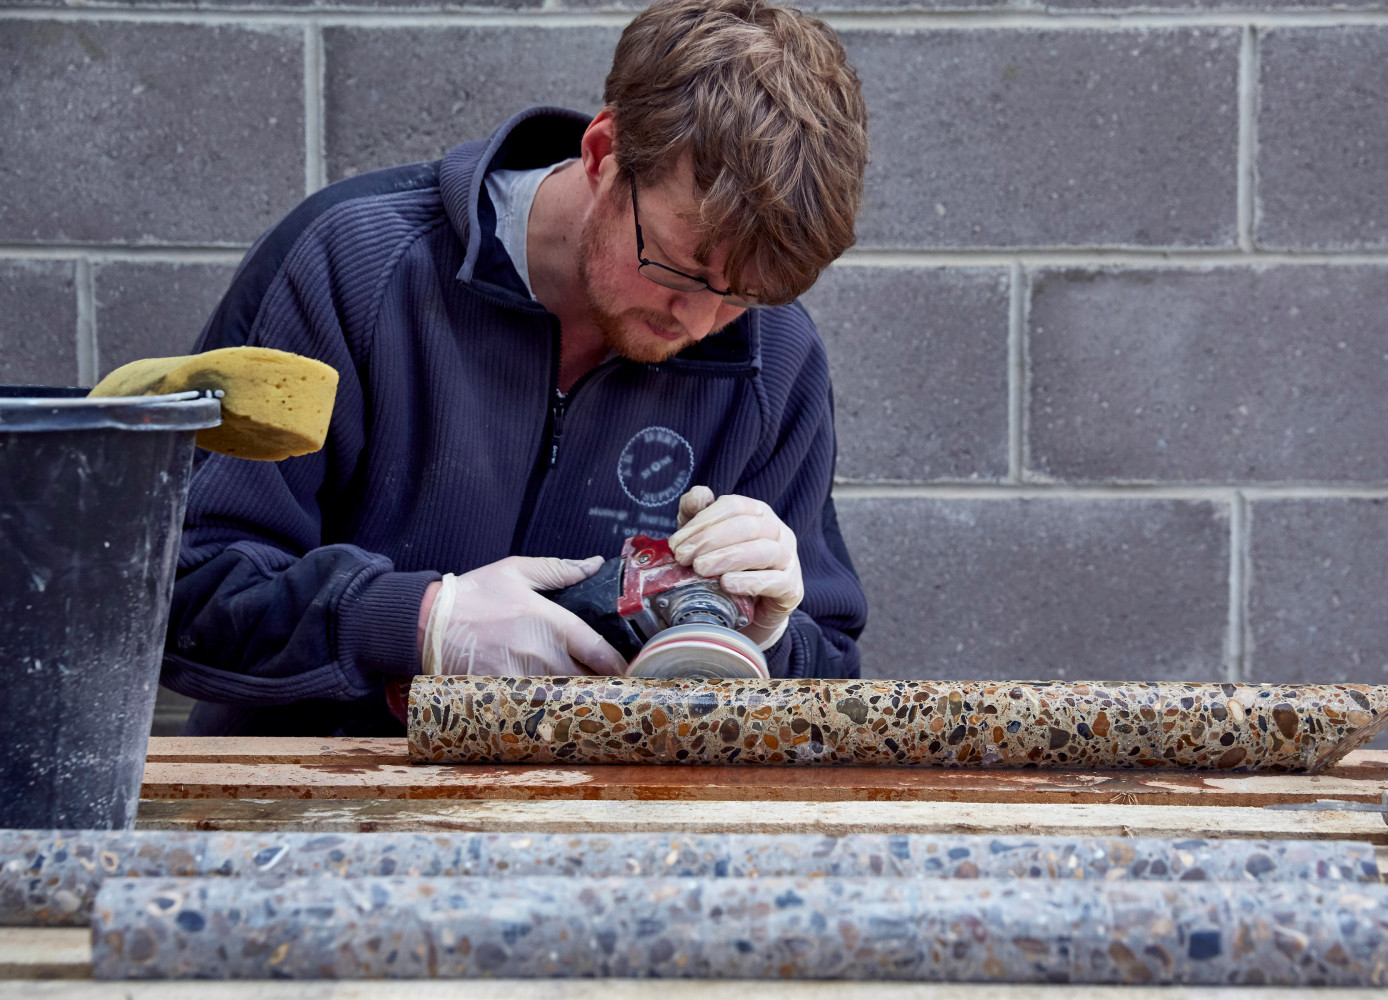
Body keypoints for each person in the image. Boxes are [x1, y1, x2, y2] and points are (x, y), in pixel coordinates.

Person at [162, 0, 872, 735]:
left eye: (743, 296)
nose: (698, 322)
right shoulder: (350, 267)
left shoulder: (774, 355)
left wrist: (765, 639)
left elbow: (832, 687)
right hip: (321, 818)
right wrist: (418, 622)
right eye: (679, 268)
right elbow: (176, 593)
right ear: (603, 153)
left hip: (610, 830)